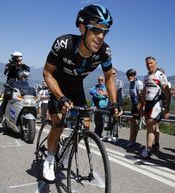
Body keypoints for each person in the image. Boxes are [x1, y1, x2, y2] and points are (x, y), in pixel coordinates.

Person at [42, 4, 119, 181]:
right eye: (96, 30)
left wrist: (114, 102)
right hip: (58, 86)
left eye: (105, 32)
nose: (100, 37)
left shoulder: (104, 52)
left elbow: (109, 78)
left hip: (76, 87)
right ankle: (50, 158)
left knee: (84, 125)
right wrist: (60, 97)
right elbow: (47, 73)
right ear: (82, 28)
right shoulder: (64, 44)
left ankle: (68, 150)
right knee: (59, 125)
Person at [139, 56, 171, 159]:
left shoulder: (160, 75)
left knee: (150, 125)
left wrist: (167, 108)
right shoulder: (145, 77)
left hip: (157, 103)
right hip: (148, 103)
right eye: (147, 63)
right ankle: (155, 144)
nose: (149, 65)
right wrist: (141, 106)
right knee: (152, 126)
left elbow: (167, 91)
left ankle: (148, 149)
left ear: (156, 63)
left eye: (151, 63)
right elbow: (144, 92)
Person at [0, 51, 30, 122]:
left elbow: (28, 70)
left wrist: (23, 65)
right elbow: (5, 72)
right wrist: (11, 64)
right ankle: (0, 116)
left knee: (24, 101)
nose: (14, 58)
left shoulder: (23, 65)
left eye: (16, 57)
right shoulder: (9, 64)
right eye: (14, 57)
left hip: (20, 86)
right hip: (10, 85)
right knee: (5, 100)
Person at [125, 69, 143, 147]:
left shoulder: (138, 83)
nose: (130, 77)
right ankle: (132, 141)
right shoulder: (131, 83)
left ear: (135, 75)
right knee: (134, 124)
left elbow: (141, 95)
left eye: (132, 75)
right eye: (128, 75)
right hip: (134, 106)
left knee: (134, 123)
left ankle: (132, 141)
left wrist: (140, 107)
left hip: (139, 106)